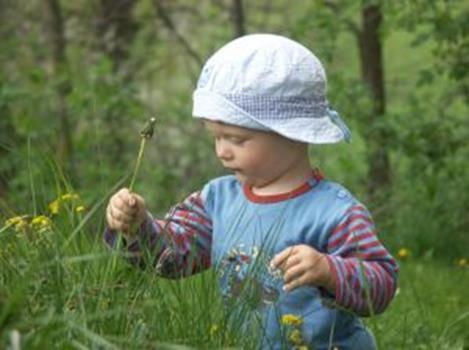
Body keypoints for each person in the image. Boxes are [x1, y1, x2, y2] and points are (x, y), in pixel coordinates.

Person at [104, 34, 398, 349]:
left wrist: (328, 270)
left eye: (237, 139)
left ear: (292, 134)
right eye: (216, 137)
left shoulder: (334, 212)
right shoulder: (217, 200)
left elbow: (381, 285)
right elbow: (172, 258)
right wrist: (137, 227)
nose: (222, 152)